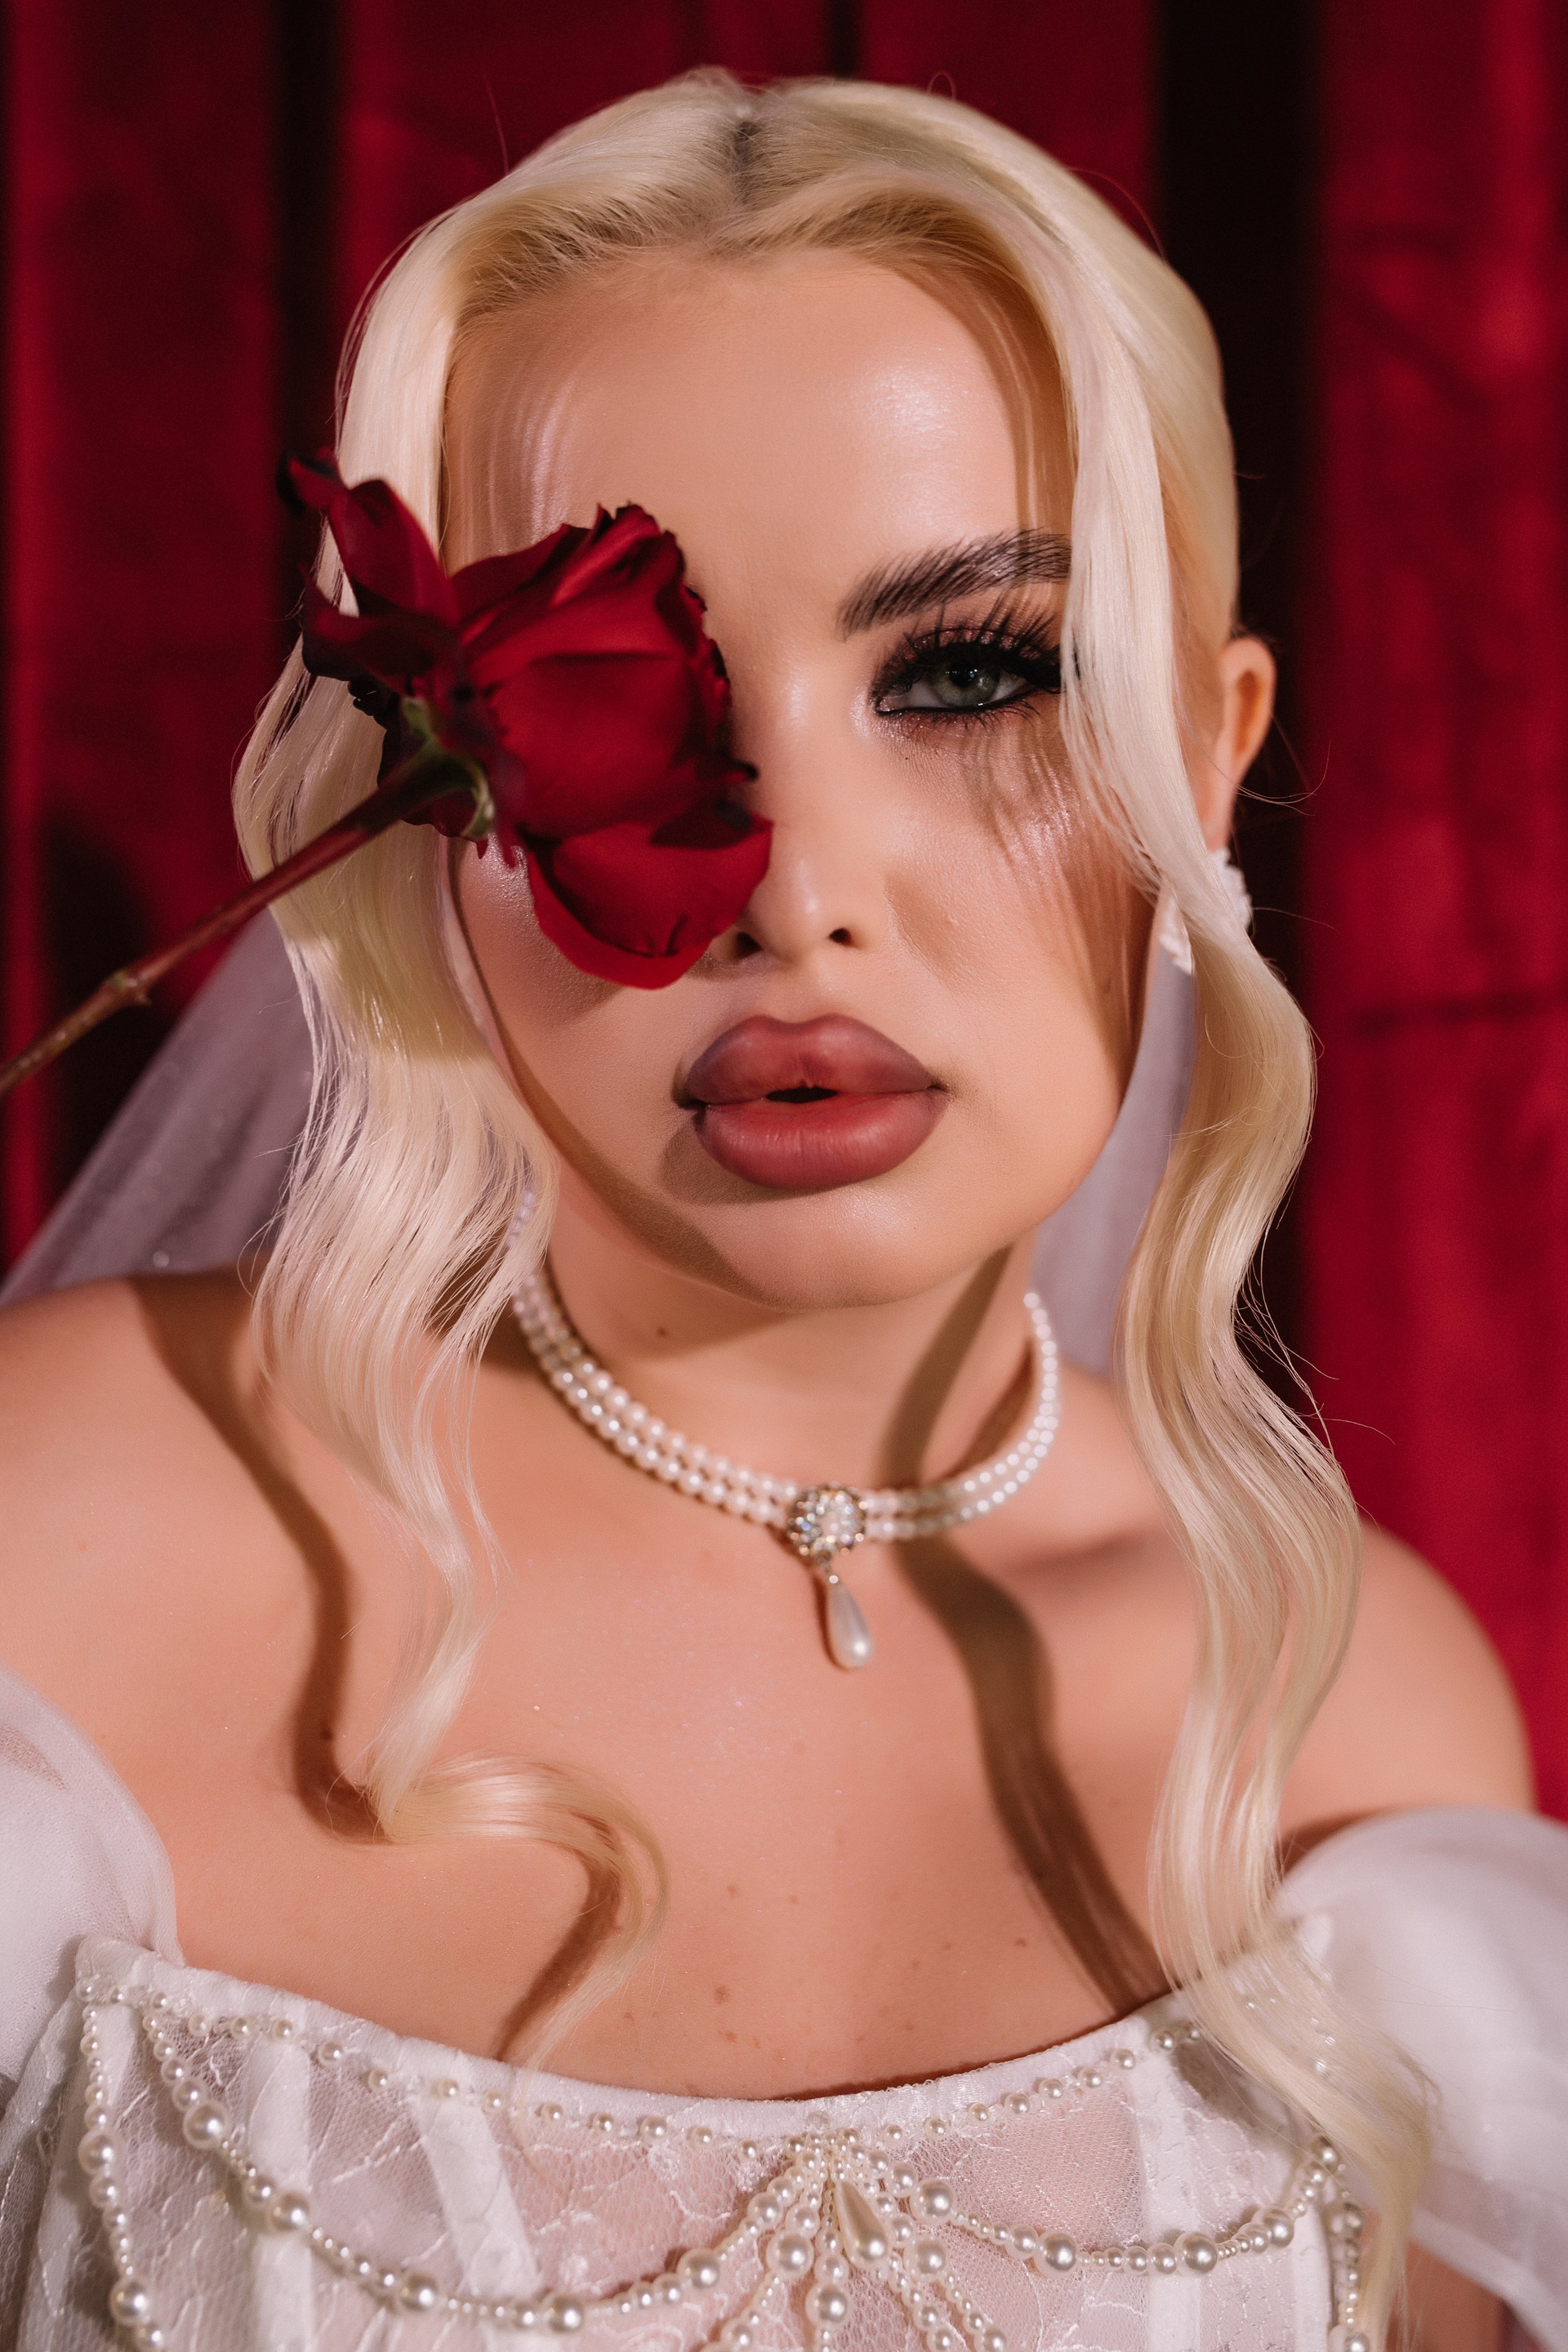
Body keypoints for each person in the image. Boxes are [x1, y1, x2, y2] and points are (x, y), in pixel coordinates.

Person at [0, 69, 1561, 2352]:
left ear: (1212, 759)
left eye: (972, 672)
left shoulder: (1344, 1718)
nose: (797, 891)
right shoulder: (61, 1533)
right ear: (424, 801)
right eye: (607, 712)